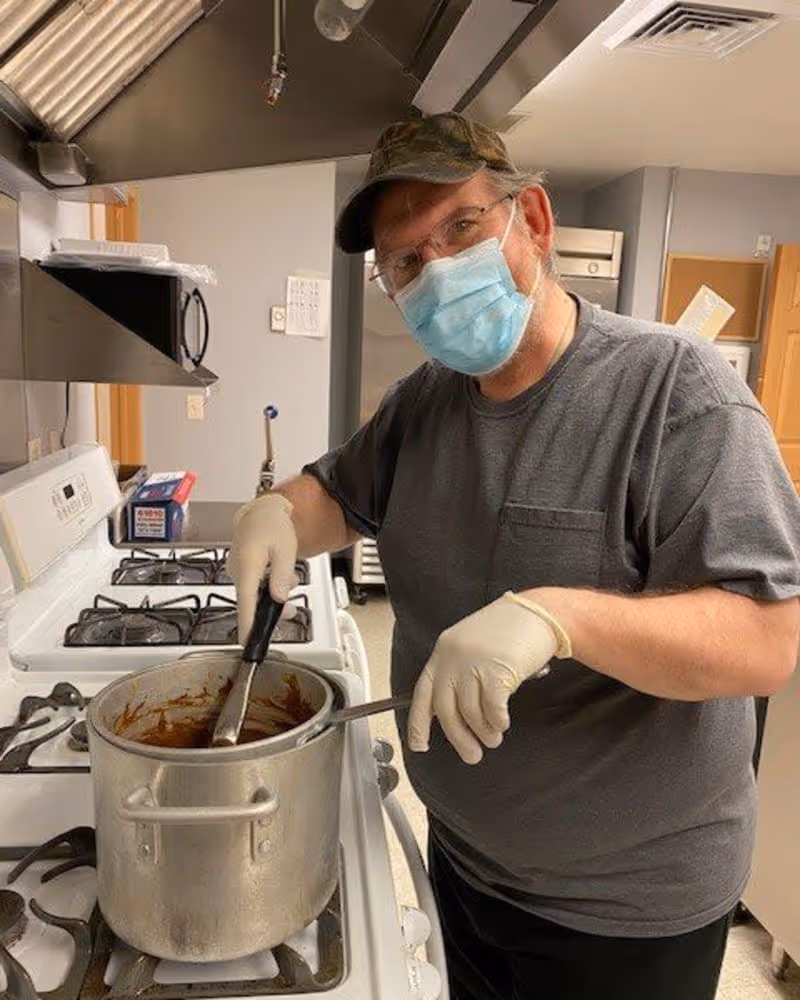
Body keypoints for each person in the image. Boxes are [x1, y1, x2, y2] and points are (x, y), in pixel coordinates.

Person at [228, 112, 800, 1000]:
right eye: (406, 263)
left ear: (530, 220)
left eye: (457, 228)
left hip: (621, 913)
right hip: (466, 864)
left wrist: (558, 617)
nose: (436, 270)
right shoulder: (426, 401)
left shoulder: (675, 392)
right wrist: (272, 512)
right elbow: (335, 497)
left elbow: (764, 640)